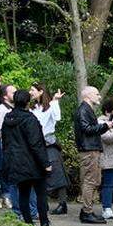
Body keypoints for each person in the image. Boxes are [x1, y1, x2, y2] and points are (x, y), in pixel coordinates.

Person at [0, 90, 55, 226]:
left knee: (23, 193)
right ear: (28, 102)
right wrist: (45, 163)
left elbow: (6, 142)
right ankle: (44, 224)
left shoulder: (7, 119)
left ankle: (28, 225)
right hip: (32, 162)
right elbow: (36, 143)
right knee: (41, 193)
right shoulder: (30, 119)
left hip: (16, 162)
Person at [72, 86, 110, 224]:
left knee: (94, 181)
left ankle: (87, 210)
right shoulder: (83, 110)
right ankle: (87, 212)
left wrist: (106, 126)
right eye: (97, 94)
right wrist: (105, 126)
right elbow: (87, 129)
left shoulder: (86, 110)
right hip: (89, 150)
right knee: (90, 181)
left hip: (91, 148)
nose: (99, 96)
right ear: (87, 96)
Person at [31, 87, 69, 215]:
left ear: (41, 91)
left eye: (33, 90)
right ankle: (43, 203)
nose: (31, 92)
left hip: (49, 142)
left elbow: (57, 118)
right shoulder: (32, 108)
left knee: (57, 171)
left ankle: (62, 203)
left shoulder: (51, 105)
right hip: (36, 144)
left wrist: (56, 101)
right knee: (38, 173)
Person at [0, 84, 19, 210]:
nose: (16, 94)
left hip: (18, 146)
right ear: (5, 96)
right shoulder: (1, 110)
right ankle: (6, 197)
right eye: (13, 93)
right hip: (8, 146)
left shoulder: (17, 108)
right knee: (5, 171)